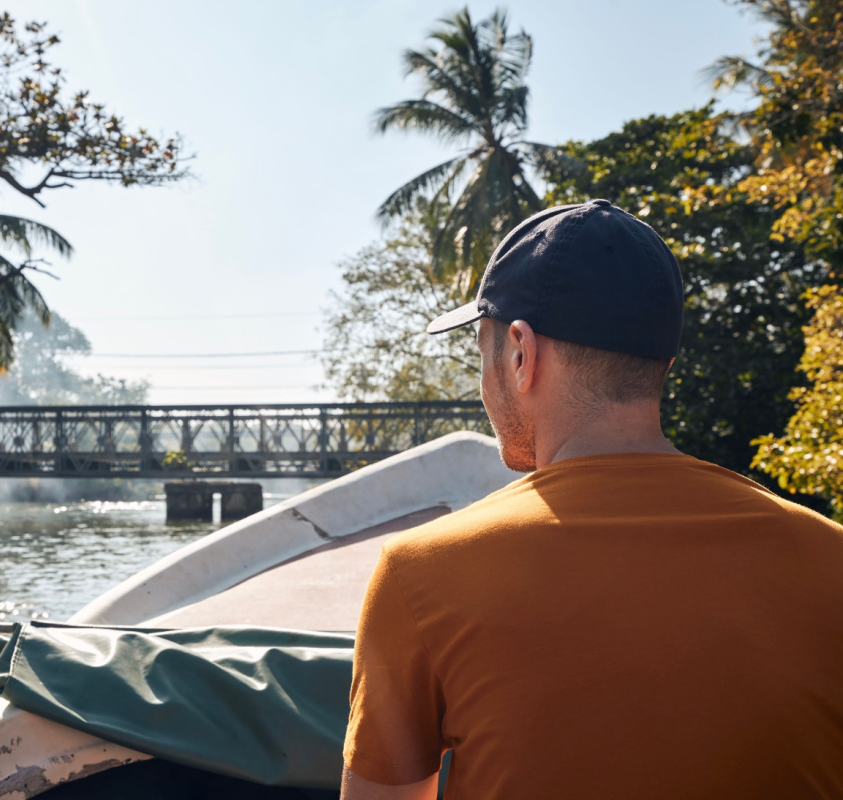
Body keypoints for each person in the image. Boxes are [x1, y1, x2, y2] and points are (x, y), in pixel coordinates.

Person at [340, 199, 843, 800]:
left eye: (483, 351)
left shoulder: (420, 575)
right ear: (662, 362)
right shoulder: (828, 557)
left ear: (521, 355)